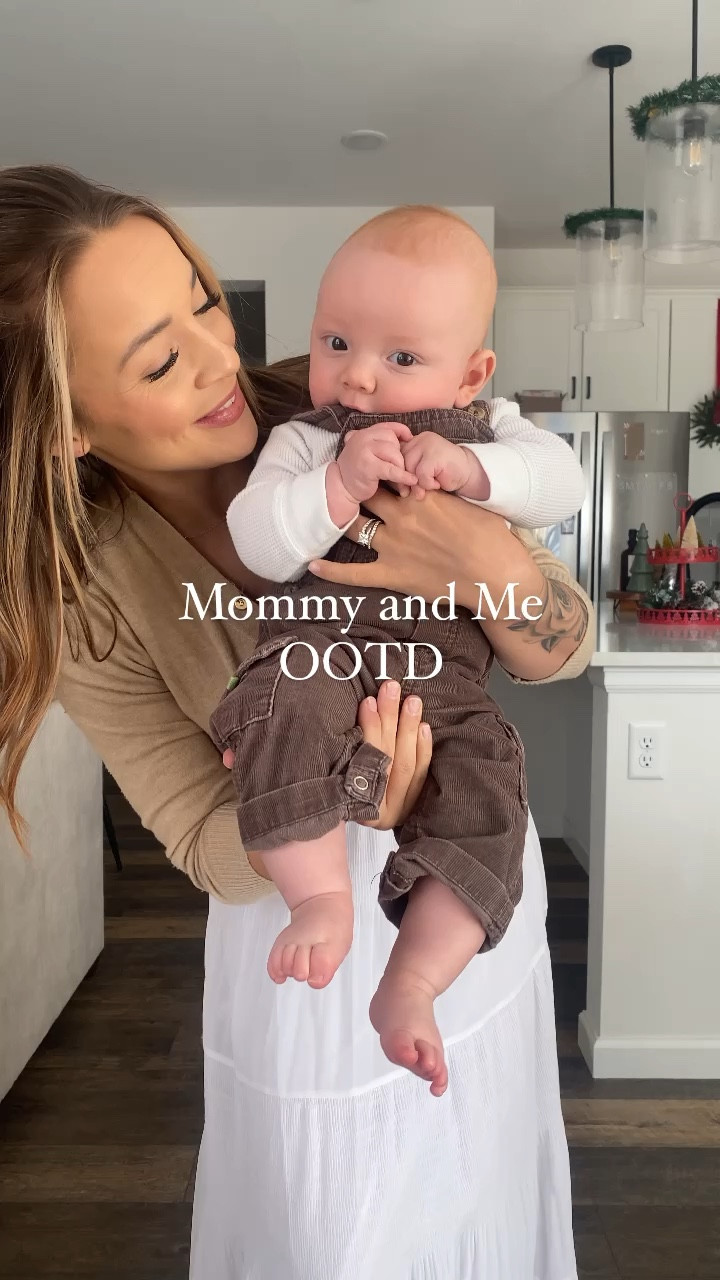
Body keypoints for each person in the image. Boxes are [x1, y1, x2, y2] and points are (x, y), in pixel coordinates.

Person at [0, 164, 594, 1280]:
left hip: (463, 904)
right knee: (332, 1233)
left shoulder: (355, 404)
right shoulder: (84, 598)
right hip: (303, 952)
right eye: (163, 358)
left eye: (204, 302)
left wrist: (491, 563)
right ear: (69, 424)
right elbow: (200, 836)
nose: (227, 359)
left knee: (479, 1199)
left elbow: (567, 644)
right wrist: (362, 787)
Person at [212, 205, 586, 1096]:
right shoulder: (303, 440)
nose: (361, 379)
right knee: (281, 706)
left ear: (473, 373)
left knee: (487, 780)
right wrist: (337, 484)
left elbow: (560, 484)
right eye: (336, 341)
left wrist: (476, 475)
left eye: (403, 357)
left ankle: (413, 981)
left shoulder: (495, 430)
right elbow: (258, 541)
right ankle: (320, 897)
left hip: (444, 684)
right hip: (319, 655)